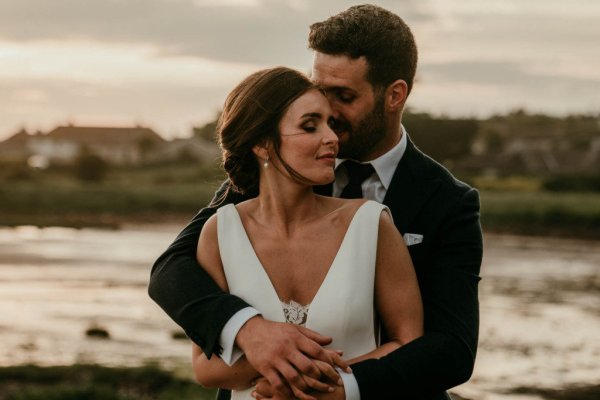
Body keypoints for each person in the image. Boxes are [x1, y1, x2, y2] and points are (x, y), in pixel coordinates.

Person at [149, 4, 483, 400]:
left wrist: (333, 385)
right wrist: (249, 330)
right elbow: (171, 269)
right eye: (318, 92)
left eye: (343, 97)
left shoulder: (448, 202)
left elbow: (452, 349)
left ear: (394, 95)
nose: (328, 114)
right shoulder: (274, 172)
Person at [189, 66, 423, 400]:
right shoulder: (220, 232)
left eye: (330, 124)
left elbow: (409, 344)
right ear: (262, 143)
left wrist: (319, 384)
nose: (332, 138)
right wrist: (271, 361)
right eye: (310, 125)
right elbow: (204, 366)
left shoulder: (371, 225)